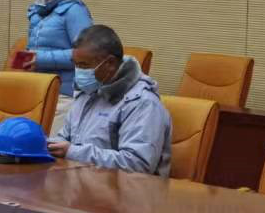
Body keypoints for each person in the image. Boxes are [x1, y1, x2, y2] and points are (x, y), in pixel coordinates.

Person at [46, 25, 172, 177]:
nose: (78, 71)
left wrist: (72, 152)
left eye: (84, 65)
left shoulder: (142, 103)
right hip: (82, 182)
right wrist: (49, 145)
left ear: (110, 63)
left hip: (127, 188)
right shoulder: (88, 91)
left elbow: (138, 164)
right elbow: (65, 138)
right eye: (76, 64)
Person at [21, 0, 93, 121]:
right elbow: (36, 47)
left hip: (63, 94)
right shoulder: (38, 10)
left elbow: (85, 54)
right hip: (37, 88)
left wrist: (39, 58)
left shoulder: (75, 10)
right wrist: (25, 58)